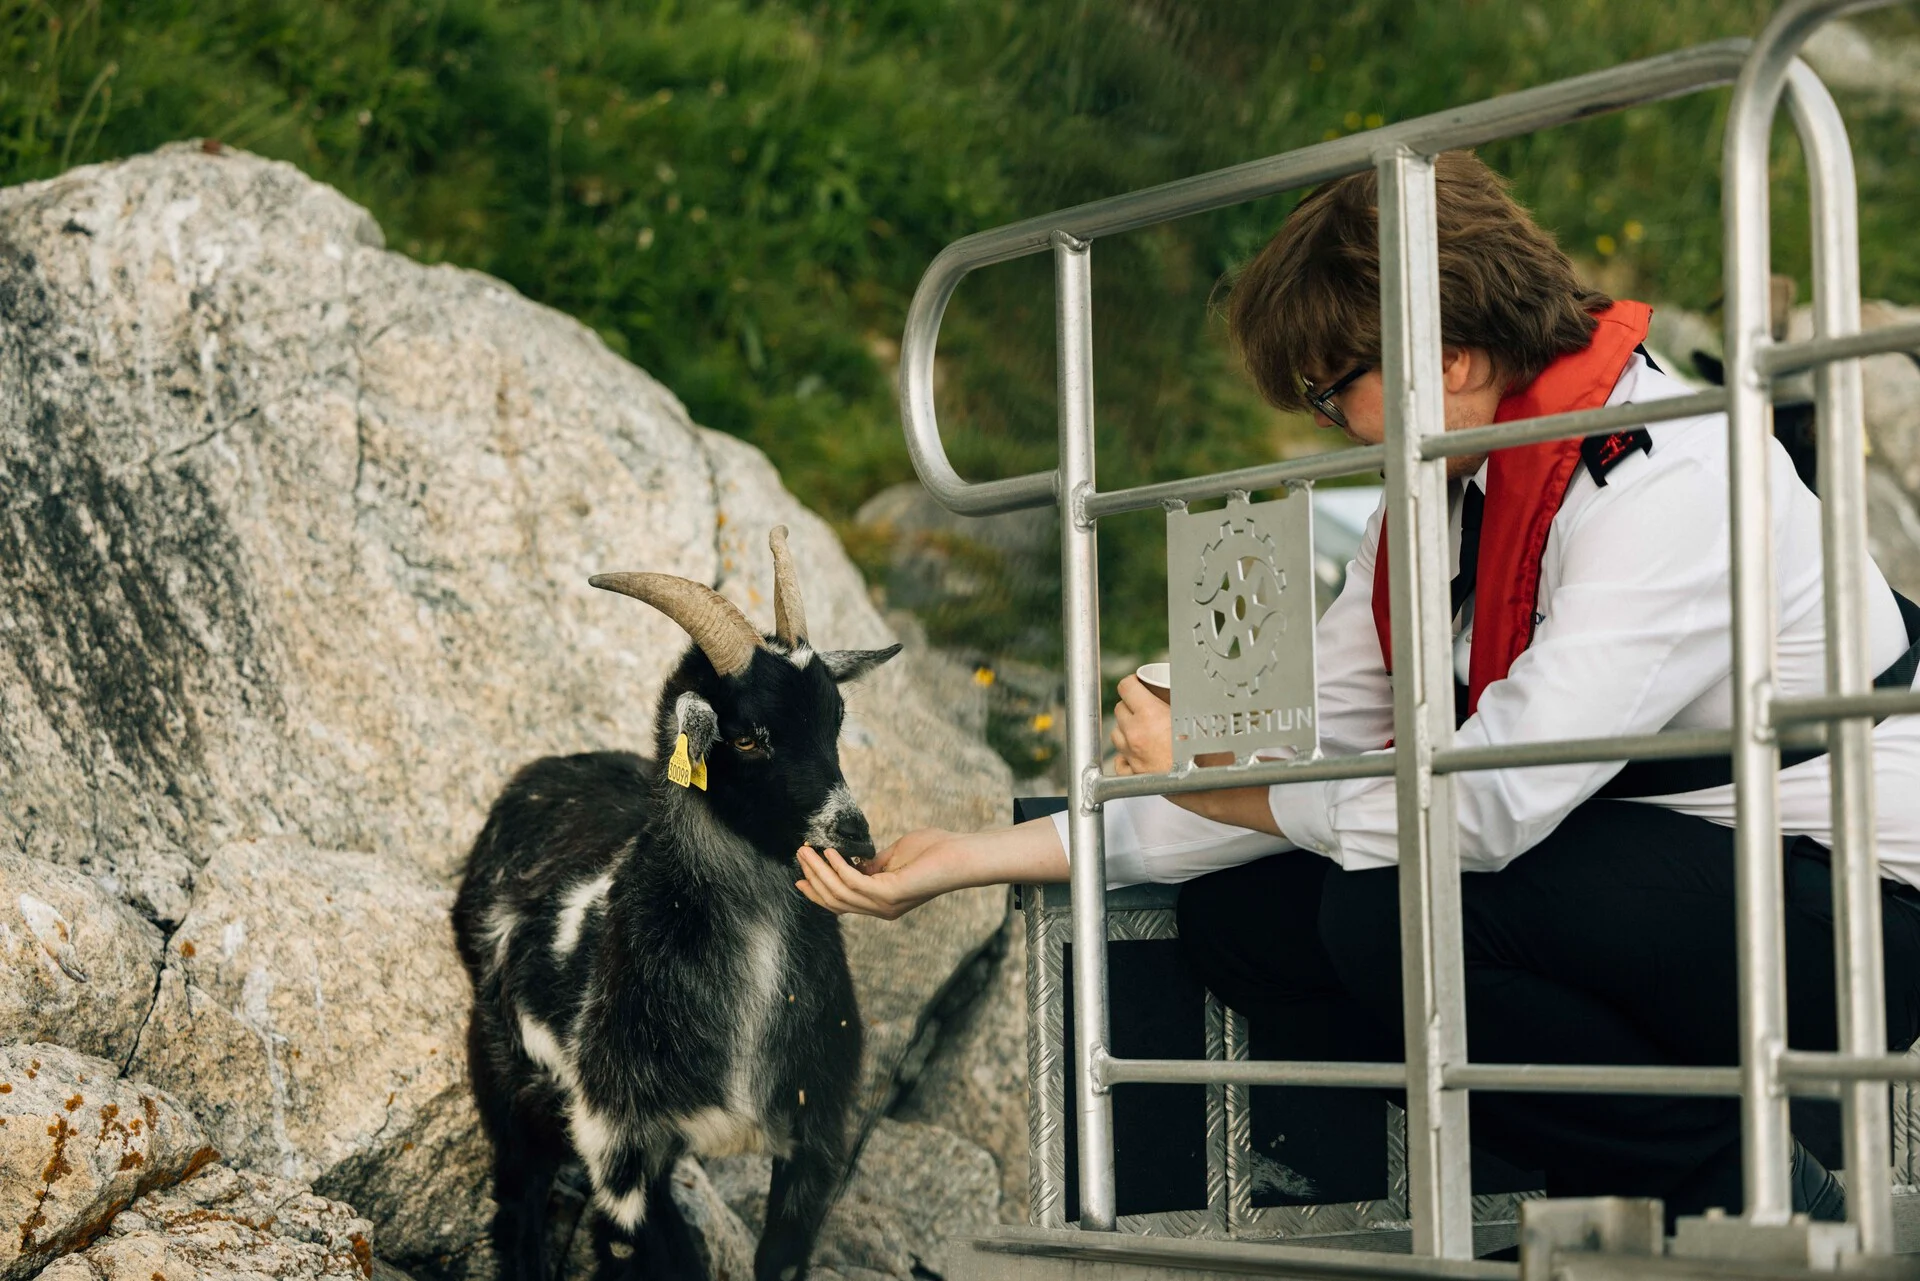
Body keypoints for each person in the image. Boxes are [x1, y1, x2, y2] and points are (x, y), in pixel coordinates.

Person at [794, 150, 1920, 1224]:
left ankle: (1751, 1185)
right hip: (1664, 877)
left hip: (1858, 918)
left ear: (1451, 359)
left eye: (1333, 394)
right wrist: (977, 854)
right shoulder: (1447, 492)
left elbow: (1483, 806)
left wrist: (1226, 786)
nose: (1330, 429)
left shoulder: (1667, 486)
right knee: (1242, 925)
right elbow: (1304, 747)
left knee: (1388, 912)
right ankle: (1607, 1167)